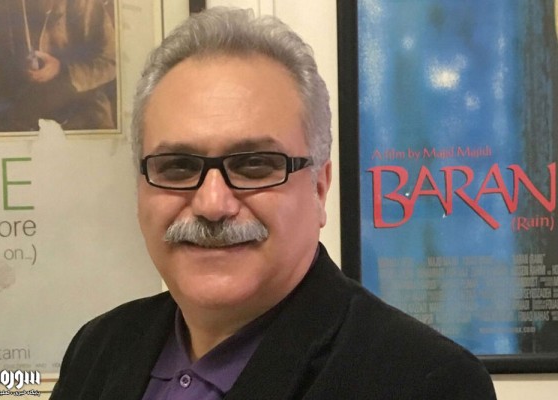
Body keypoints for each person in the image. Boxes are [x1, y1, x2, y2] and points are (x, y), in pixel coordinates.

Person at [50, 7, 497, 400]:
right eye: (178, 166)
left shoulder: (425, 382)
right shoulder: (98, 349)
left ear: (319, 188)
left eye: (254, 165)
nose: (212, 204)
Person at [0, 0, 116, 132]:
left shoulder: (84, 4)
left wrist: (60, 67)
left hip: (78, 107)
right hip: (16, 104)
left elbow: (111, 61)